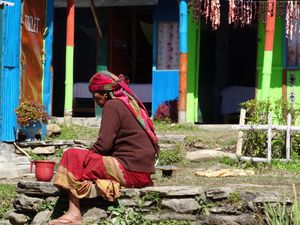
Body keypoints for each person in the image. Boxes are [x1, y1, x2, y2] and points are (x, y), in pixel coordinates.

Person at [48, 71, 159, 225]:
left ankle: (74, 213)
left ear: (105, 93)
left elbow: (104, 145)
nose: (94, 99)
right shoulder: (128, 104)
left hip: (129, 170)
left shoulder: (112, 105)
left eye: (95, 94)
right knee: (79, 162)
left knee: (72, 156)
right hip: (142, 173)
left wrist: (85, 156)